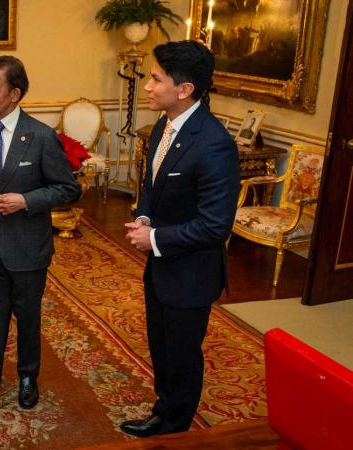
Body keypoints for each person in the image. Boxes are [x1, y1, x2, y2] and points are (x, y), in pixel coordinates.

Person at [123, 40, 240, 437]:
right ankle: (164, 409)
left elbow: (215, 226)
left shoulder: (214, 145)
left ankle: (175, 429)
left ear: (185, 89)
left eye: (156, 79)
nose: (149, 86)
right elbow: (152, 187)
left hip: (191, 273)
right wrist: (143, 215)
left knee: (182, 355)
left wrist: (154, 238)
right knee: (162, 346)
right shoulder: (164, 125)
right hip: (162, 266)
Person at [0, 55, 81, 410]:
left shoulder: (41, 137)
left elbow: (68, 189)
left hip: (28, 248)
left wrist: (26, 201)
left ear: (16, 93)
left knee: (27, 315)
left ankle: (28, 376)